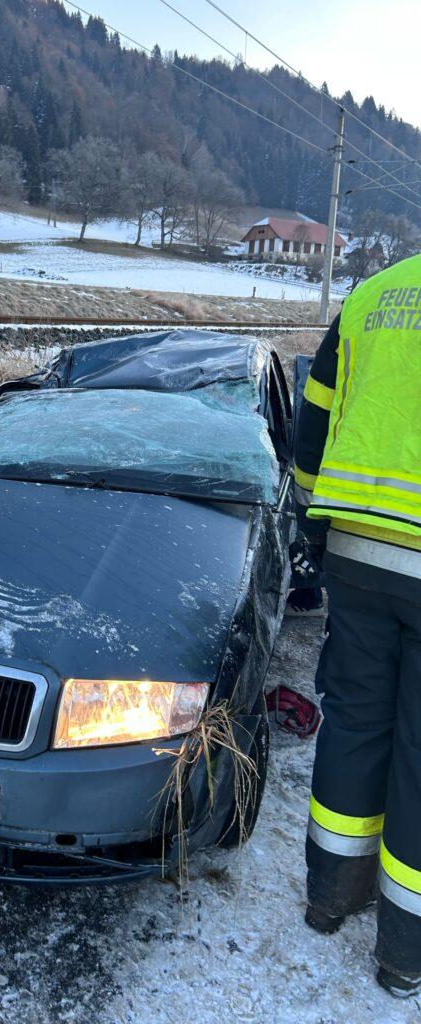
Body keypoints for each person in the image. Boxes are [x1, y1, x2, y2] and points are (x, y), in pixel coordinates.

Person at [294, 252, 421, 999]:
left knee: (356, 724)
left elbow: (315, 416)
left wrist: (316, 519)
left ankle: (329, 898)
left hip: (358, 553)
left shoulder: (373, 296)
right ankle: (404, 953)